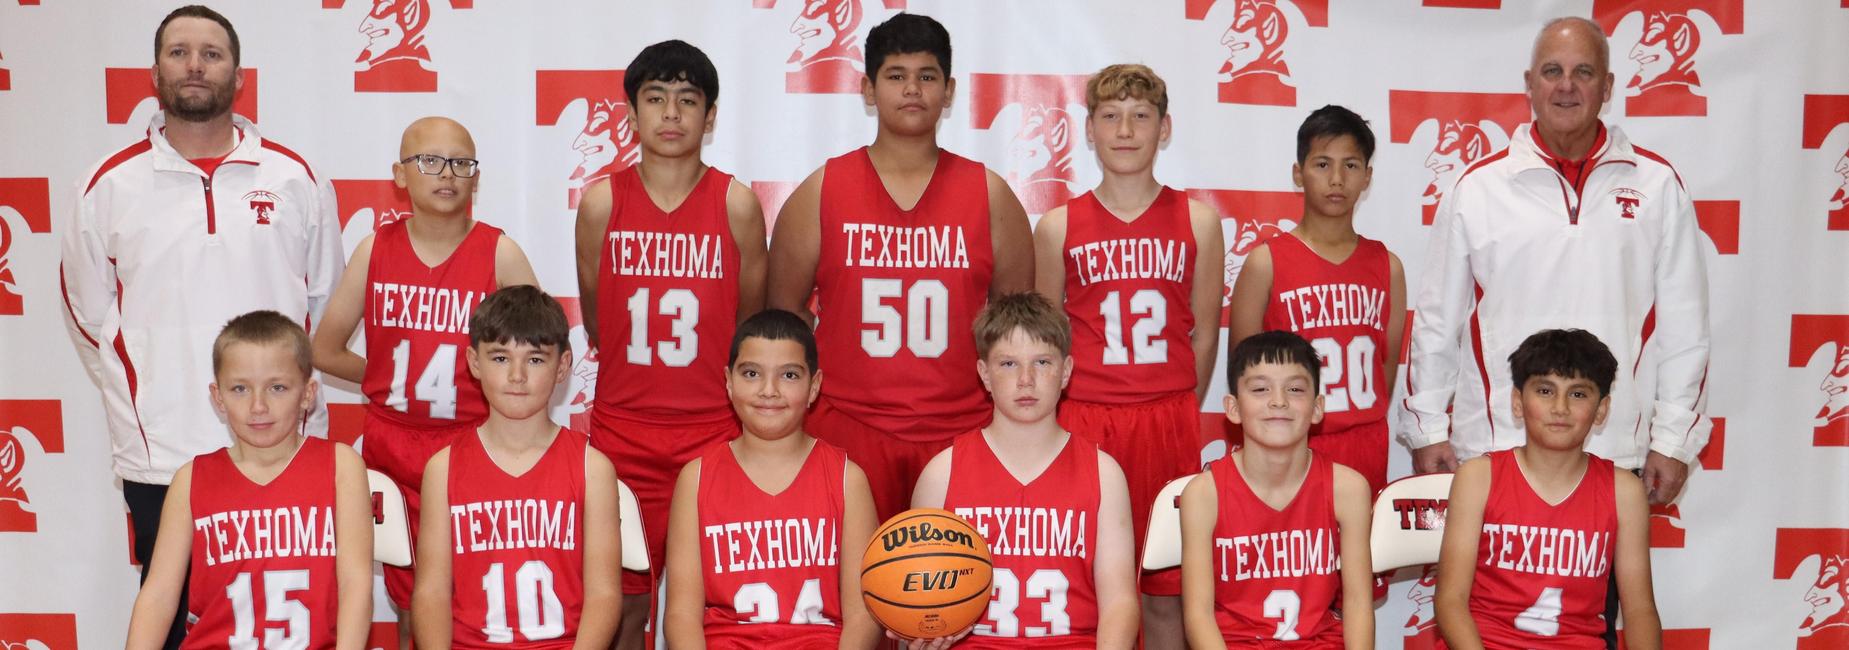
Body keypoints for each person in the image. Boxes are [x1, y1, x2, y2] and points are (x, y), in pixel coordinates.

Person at [60, 8, 343, 646]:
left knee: (287, 621)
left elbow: (323, 309)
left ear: (238, 75)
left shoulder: (294, 177)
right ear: (155, 70)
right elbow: (91, 314)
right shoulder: (106, 184)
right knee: (169, 618)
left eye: (211, 54)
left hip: (286, 448)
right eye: (179, 52)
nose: (195, 66)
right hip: (162, 454)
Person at [1400, 16, 1710, 506]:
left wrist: (1673, 441)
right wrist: (1429, 428)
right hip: (1497, 450)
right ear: (1529, 85)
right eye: (1551, 71)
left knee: (1606, 587)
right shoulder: (1478, 187)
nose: (1566, 87)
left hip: (1612, 454)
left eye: (1583, 72)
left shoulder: (1658, 186)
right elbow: (1437, 322)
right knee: (1481, 588)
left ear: (1607, 86)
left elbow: (1685, 331)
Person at [766, 12, 1034, 521]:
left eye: (927, 76)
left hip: (962, 428)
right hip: (848, 427)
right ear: (868, 89)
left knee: (959, 592)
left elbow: (1017, 326)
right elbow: (782, 317)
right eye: (895, 75)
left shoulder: (990, 194)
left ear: (949, 90)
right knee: (848, 592)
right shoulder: (822, 190)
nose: (912, 89)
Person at [310, 116, 537, 641]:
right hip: (393, 447)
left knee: (476, 588)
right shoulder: (374, 250)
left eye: (461, 163)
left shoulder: (499, 252)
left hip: (472, 444)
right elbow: (324, 348)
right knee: (411, 596)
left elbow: (540, 348)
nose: (447, 174)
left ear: (476, 177)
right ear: (399, 174)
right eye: (430, 161)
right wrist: (388, 377)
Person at [572, 39, 767, 647]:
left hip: (711, 433)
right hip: (622, 434)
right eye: (656, 99)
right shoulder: (602, 201)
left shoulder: (735, 204)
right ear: (633, 113)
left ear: (710, 116)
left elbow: (750, 326)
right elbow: (600, 320)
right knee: (622, 610)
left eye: (688, 100)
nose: (672, 114)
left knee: (707, 607)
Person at [1028, 62, 1223, 648]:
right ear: (1089, 130)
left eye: (1142, 116)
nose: (1126, 130)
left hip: (1166, 418)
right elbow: (1045, 341)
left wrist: (1177, 401)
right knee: (1087, 584)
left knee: (1163, 592)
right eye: (1110, 116)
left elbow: (1206, 334)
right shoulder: (1058, 225)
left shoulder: (1199, 221)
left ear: (1165, 129)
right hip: (1085, 418)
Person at [124, 311, 371, 650]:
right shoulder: (191, 480)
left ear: (307, 394)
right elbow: (159, 596)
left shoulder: (341, 466)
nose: (258, 406)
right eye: (240, 388)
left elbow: (355, 584)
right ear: (218, 397)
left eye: (277, 388)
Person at [911, 292, 1140, 648]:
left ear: (1065, 372)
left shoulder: (1104, 474)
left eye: (1043, 363)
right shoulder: (942, 473)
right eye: (1008, 364)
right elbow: (919, 597)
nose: (1026, 380)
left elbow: (1120, 603)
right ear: (984, 374)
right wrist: (916, 624)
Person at [411, 286, 622, 649]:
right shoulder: (443, 469)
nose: (517, 376)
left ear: (564, 366)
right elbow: (431, 592)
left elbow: (603, 595)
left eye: (536, 359)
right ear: (474, 363)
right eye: (500, 358)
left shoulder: (592, 468)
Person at [662, 309, 880, 648]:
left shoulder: (847, 479)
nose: (769, 390)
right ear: (728, 381)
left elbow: (863, 615)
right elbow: (681, 614)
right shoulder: (697, 478)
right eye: (751, 373)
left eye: (789, 375)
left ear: (814, 387)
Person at [1433, 329, 1660, 649]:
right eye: (1545, 390)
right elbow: (1450, 601)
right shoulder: (1478, 478)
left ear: (1601, 410)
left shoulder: (1624, 491)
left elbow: (1639, 611)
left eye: (1578, 394)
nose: (1560, 408)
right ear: (1517, 402)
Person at [1227, 104, 1405, 496]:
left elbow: (1385, 368)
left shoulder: (1387, 266)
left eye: (1351, 165)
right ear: (1298, 173)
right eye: (1322, 164)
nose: (1337, 179)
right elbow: (1242, 373)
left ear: (1367, 176)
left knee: (1360, 558)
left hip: (1365, 445)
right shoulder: (1266, 263)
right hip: (1289, 446)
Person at [1179, 331, 1374, 648]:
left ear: (1317, 407)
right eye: (1260, 389)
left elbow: (1358, 604)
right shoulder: (1203, 495)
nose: (1279, 401)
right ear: (1233, 408)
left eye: (1295, 389)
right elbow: (1198, 616)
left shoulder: (1348, 489)